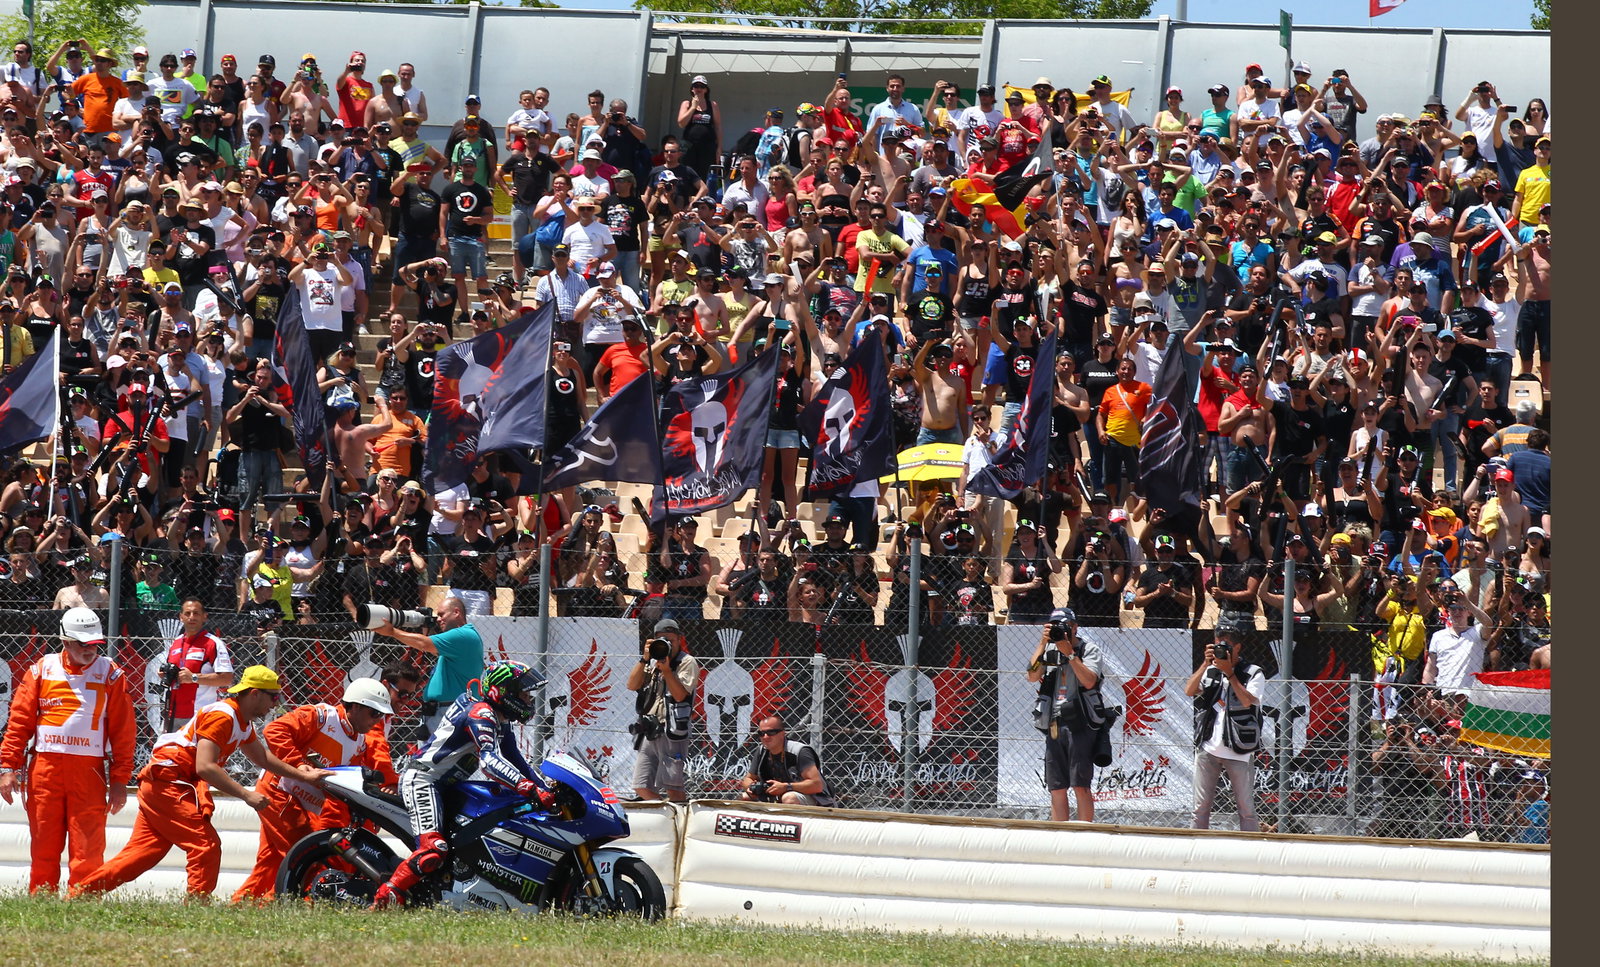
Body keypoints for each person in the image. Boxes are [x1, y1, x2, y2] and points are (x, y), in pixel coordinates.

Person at [71, 666, 331, 899]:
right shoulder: (224, 717)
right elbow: (205, 767)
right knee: (205, 846)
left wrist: (303, 774)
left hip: (165, 783)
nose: (275, 705)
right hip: (168, 783)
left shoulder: (240, 721)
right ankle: (198, 906)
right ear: (254, 693)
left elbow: (263, 758)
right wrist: (247, 795)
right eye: (273, 697)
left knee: (143, 853)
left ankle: (80, 894)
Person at [372, 660, 551, 909]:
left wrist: (546, 787)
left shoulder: (499, 718)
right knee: (434, 849)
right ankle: (385, 897)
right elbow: (489, 761)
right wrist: (528, 788)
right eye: (522, 693)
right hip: (424, 780)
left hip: (446, 786)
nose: (529, 700)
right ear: (503, 692)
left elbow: (518, 762)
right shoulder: (481, 714)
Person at [0, 608, 136, 894]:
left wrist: (121, 779)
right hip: (44, 769)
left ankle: (83, 900)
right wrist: (7, 767)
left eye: (94, 644)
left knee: (88, 845)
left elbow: (124, 731)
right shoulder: (41, 669)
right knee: (44, 842)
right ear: (65, 640)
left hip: (89, 772)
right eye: (82, 644)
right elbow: (19, 722)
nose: (90, 650)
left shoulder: (110, 673)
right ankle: (42, 898)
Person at [231, 678, 394, 902]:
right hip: (280, 791)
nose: (377, 721)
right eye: (374, 714)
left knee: (271, 860)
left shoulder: (360, 741)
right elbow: (275, 730)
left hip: (299, 800)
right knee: (304, 855)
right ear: (355, 706)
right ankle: (290, 904)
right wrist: (299, 765)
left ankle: (243, 904)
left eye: (381, 716)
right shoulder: (321, 716)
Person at [1025, 608, 1105, 823]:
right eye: (1055, 626)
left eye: (1064, 625)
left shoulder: (1089, 649)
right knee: (1057, 787)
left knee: (1080, 784)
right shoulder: (1048, 648)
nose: (1060, 629)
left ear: (1075, 626)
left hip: (1080, 722)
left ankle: (1084, 836)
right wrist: (1043, 644)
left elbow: (1089, 681)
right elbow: (1032, 675)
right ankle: (1059, 836)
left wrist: (1069, 652)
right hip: (1053, 722)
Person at [1184, 627, 1265, 832]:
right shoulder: (1211, 670)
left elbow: (1248, 701)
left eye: (1226, 646)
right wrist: (1205, 664)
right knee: (1199, 808)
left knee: (1246, 809)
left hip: (1239, 749)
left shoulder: (1253, 672)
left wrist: (1230, 673)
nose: (1221, 650)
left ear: (1237, 647)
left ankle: (1251, 855)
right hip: (1208, 746)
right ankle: (1195, 851)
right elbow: (1189, 690)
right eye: (1217, 645)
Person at [371, 595, 483, 732]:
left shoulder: (464, 635)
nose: (438, 619)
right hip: (440, 712)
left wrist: (392, 632)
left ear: (456, 612)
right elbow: (426, 644)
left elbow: (423, 643)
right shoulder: (458, 642)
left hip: (452, 712)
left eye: (442, 615)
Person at [627, 618, 700, 803]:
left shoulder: (687, 662)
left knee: (672, 788)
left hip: (672, 731)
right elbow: (632, 685)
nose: (667, 645)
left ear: (679, 640)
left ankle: (680, 822)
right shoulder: (651, 661)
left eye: (671, 640)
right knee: (641, 785)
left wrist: (667, 671)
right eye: (662, 640)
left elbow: (680, 696)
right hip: (650, 730)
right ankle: (668, 818)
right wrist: (645, 658)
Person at [157, 597, 234, 730]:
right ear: (181, 617)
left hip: (199, 713)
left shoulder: (213, 643)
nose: (191, 617)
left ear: (205, 617)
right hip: (173, 713)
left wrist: (193, 678)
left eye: (196, 613)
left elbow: (227, 678)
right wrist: (165, 675)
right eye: (187, 613)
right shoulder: (176, 642)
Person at [742, 714, 835, 807]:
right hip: (776, 796)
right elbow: (748, 779)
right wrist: (751, 787)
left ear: (783, 733)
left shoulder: (800, 751)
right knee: (745, 797)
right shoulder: (762, 751)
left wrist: (786, 787)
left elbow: (816, 785)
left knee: (789, 798)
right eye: (761, 733)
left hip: (816, 800)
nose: (766, 737)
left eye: (771, 732)